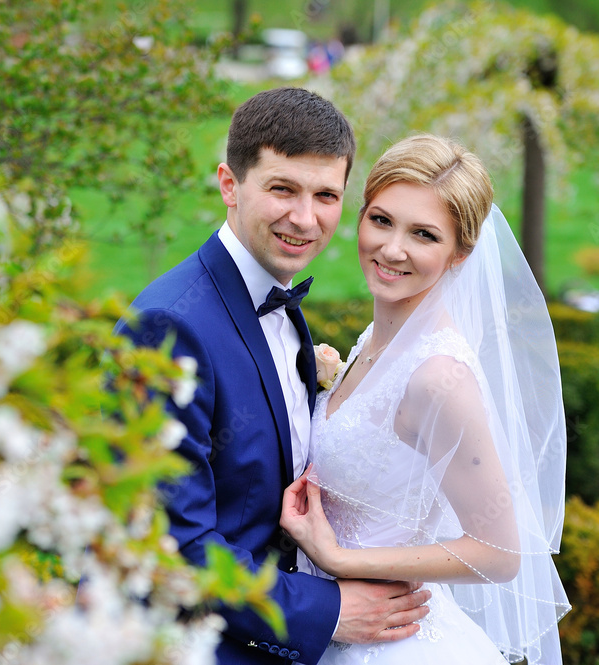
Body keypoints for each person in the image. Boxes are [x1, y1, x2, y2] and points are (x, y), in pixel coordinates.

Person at [116, 88, 430, 665]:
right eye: (282, 188)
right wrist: (329, 610)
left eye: (326, 195)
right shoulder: (168, 325)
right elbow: (172, 543)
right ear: (230, 185)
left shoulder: (279, 302)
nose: (305, 219)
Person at [279, 134, 572, 664]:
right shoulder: (376, 340)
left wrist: (341, 559)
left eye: (424, 234)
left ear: (460, 252)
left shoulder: (438, 377)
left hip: (397, 644)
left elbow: (502, 553)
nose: (392, 249)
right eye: (382, 220)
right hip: (335, 628)